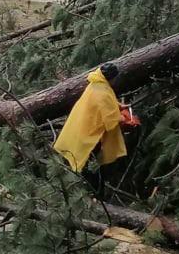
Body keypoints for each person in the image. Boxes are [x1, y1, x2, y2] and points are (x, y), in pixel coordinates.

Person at [53, 62, 140, 193]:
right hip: (90, 135)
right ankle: (94, 194)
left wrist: (117, 106)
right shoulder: (103, 92)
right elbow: (111, 120)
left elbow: (104, 104)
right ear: (112, 78)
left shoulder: (96, 84)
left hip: (81, 127)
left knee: (88, 164)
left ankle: (89, 192)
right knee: (91, 166)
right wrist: (127, 119)